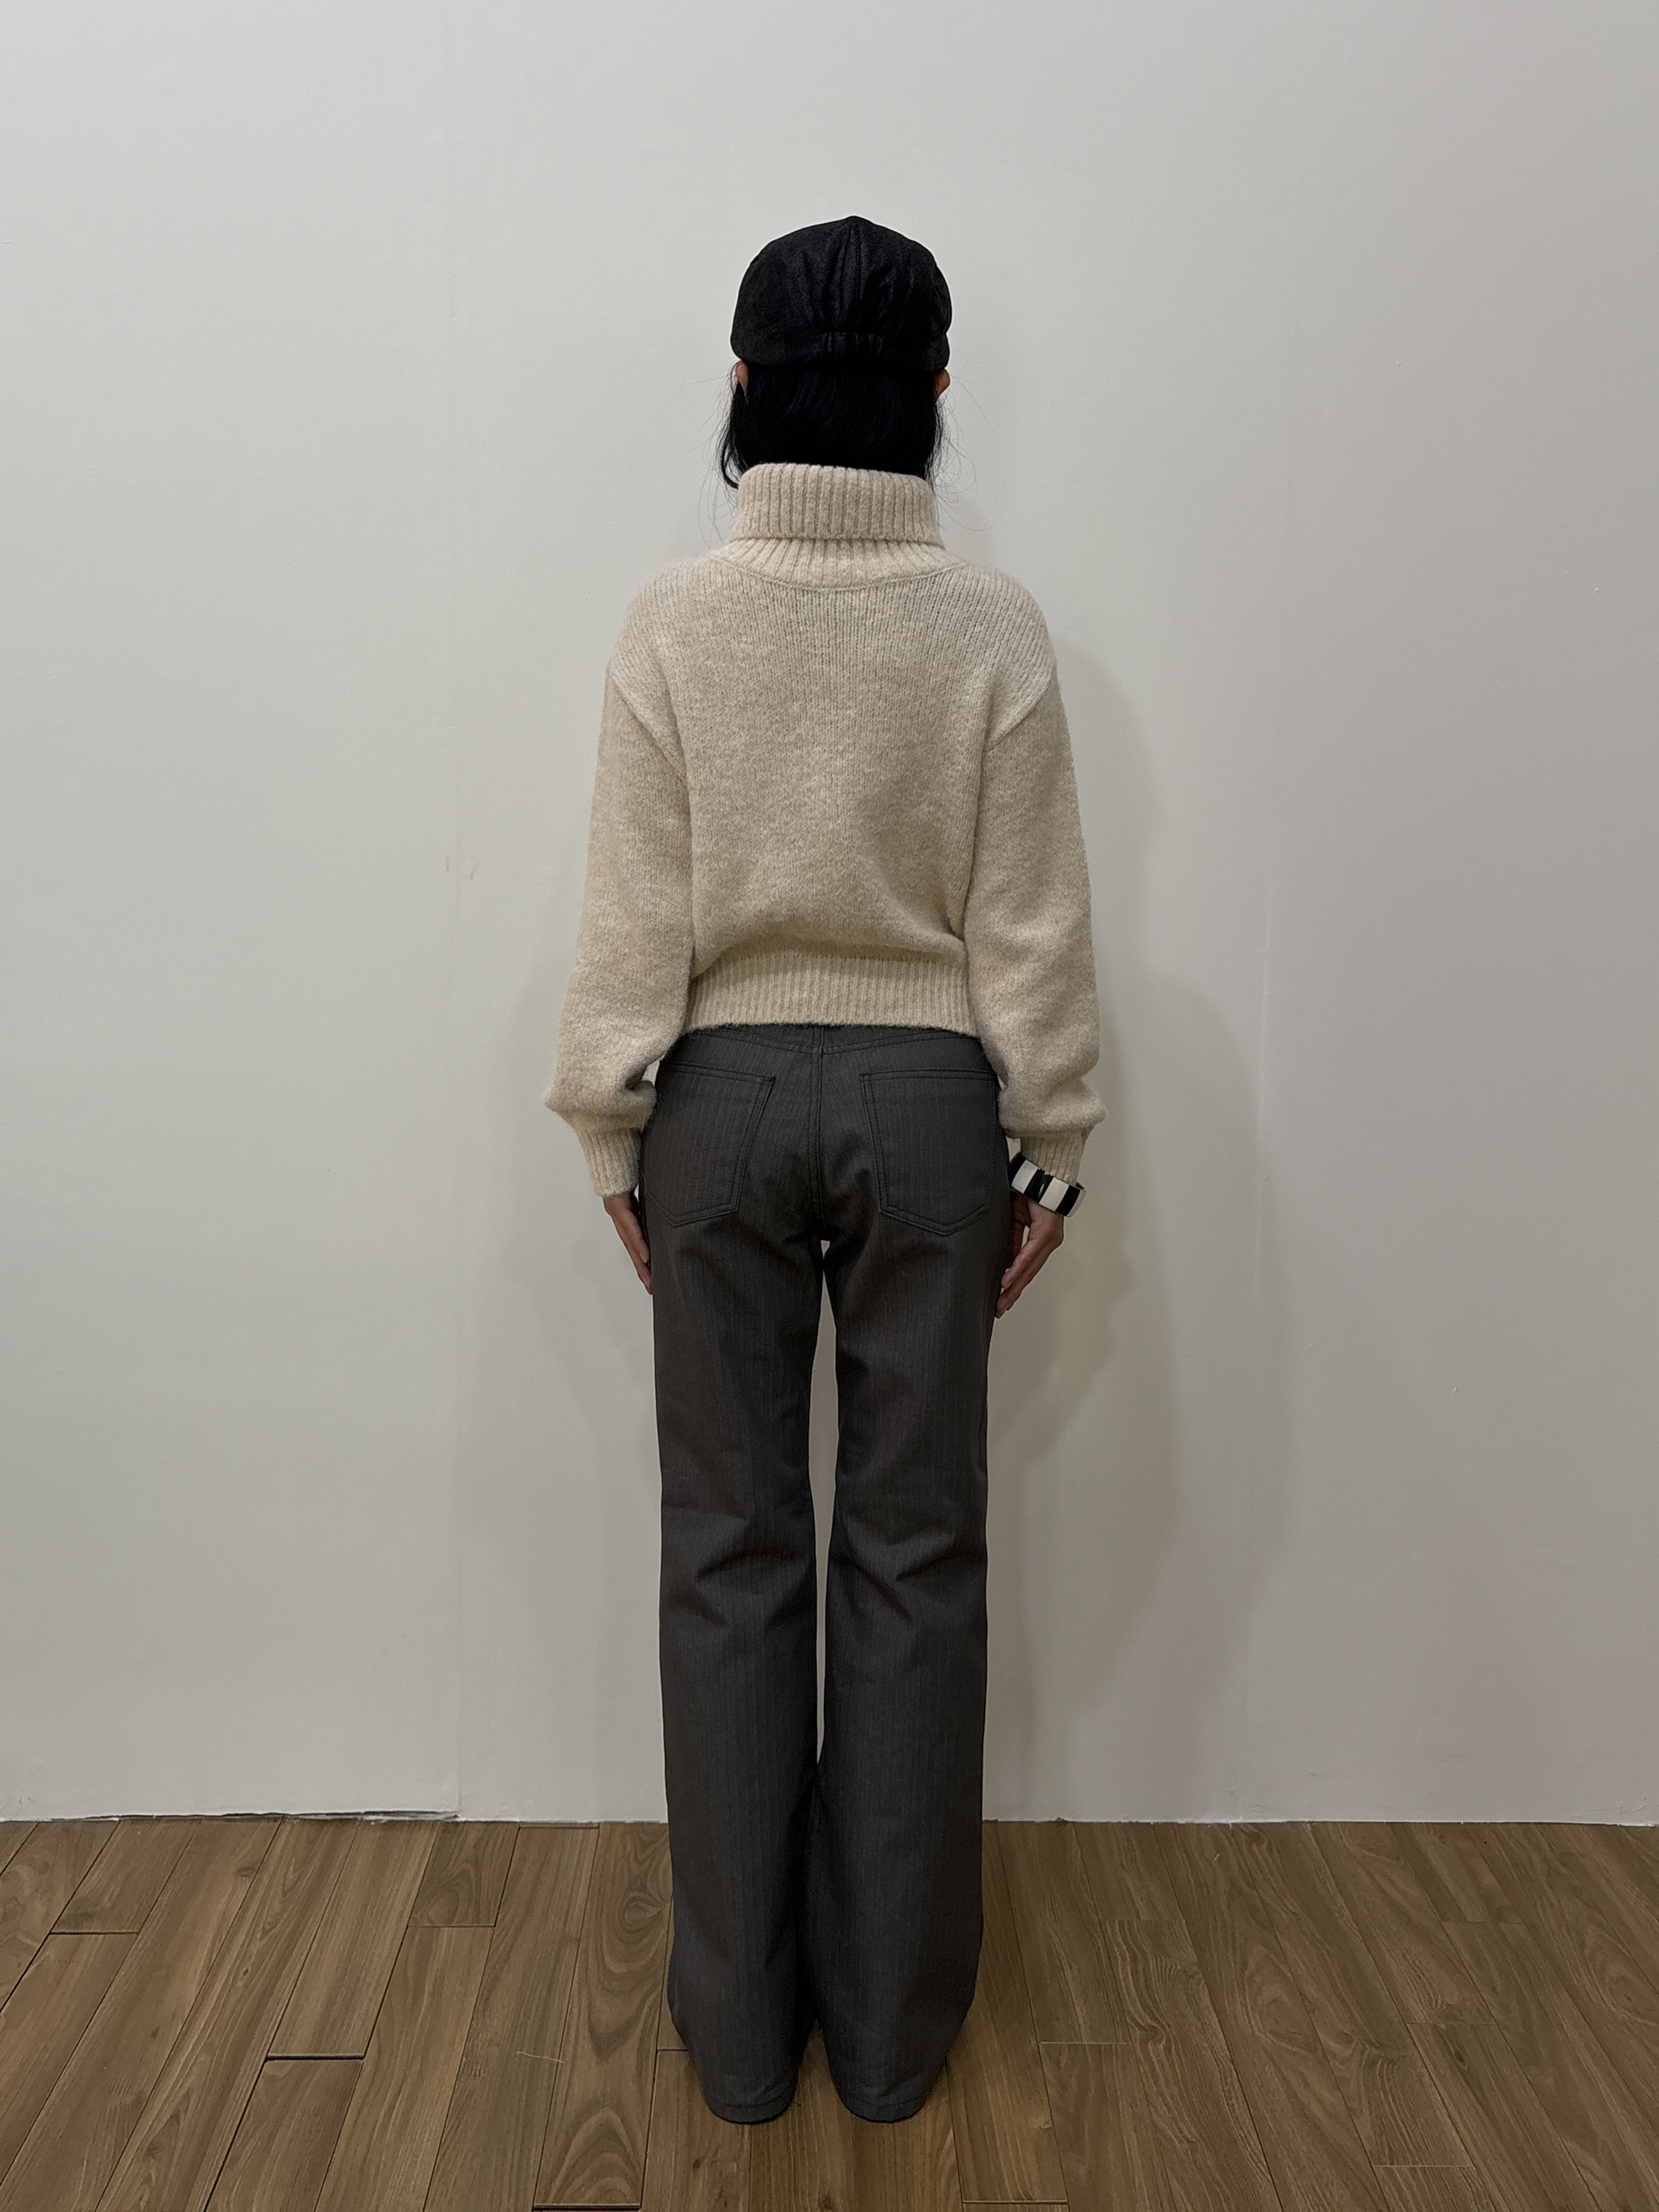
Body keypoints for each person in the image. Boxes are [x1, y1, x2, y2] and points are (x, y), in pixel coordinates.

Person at [545, 214, 1103, 2126]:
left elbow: (633, 913)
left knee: (727, 1552)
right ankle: (887, 2041)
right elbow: (1031, 926)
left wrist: (608, 1117)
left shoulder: (672, 621)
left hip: (714, 1104)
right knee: (915, 1554)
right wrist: (1056, 1148)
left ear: (742, 385)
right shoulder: (994, 628)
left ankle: (732, 2041)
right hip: (935, 1109)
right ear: (935, 391)